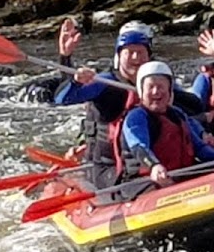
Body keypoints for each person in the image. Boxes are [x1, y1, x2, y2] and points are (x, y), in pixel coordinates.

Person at [54, 19, 155, 188]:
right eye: (129, 52)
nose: (136, 57)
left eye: (140, 52)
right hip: (106, 167)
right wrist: (67, 62)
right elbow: (63, 99)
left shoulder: (157, 83)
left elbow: (191, 106)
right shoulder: (106, 82)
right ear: (119, 56)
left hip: (143, 160)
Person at [119, 61, 214, 187]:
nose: (156, 92)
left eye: (161, 86)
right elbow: (139, 147)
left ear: (170, 91)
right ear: (141, 91)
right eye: (151, 87)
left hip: (179, 173)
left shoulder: (177, 115)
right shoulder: (136, 117)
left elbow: (199, 147)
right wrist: (154, 165)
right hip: (144, 180)